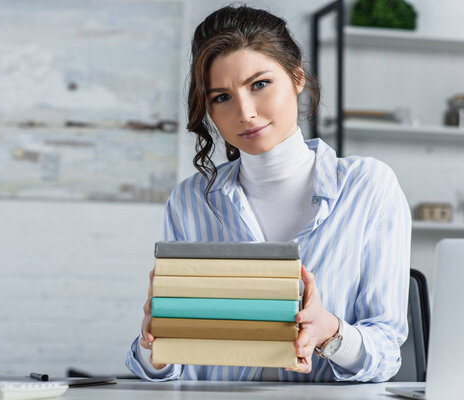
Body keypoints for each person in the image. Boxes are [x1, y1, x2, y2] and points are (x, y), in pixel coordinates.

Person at [125, 5, 411, 382]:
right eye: (221, 97)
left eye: (259, 84)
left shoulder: (367, 185)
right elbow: (167, 367)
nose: (245, 112)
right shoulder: (191, 200)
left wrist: (329, 331)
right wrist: (154, 345)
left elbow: (387, 353)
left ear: (296, 78)